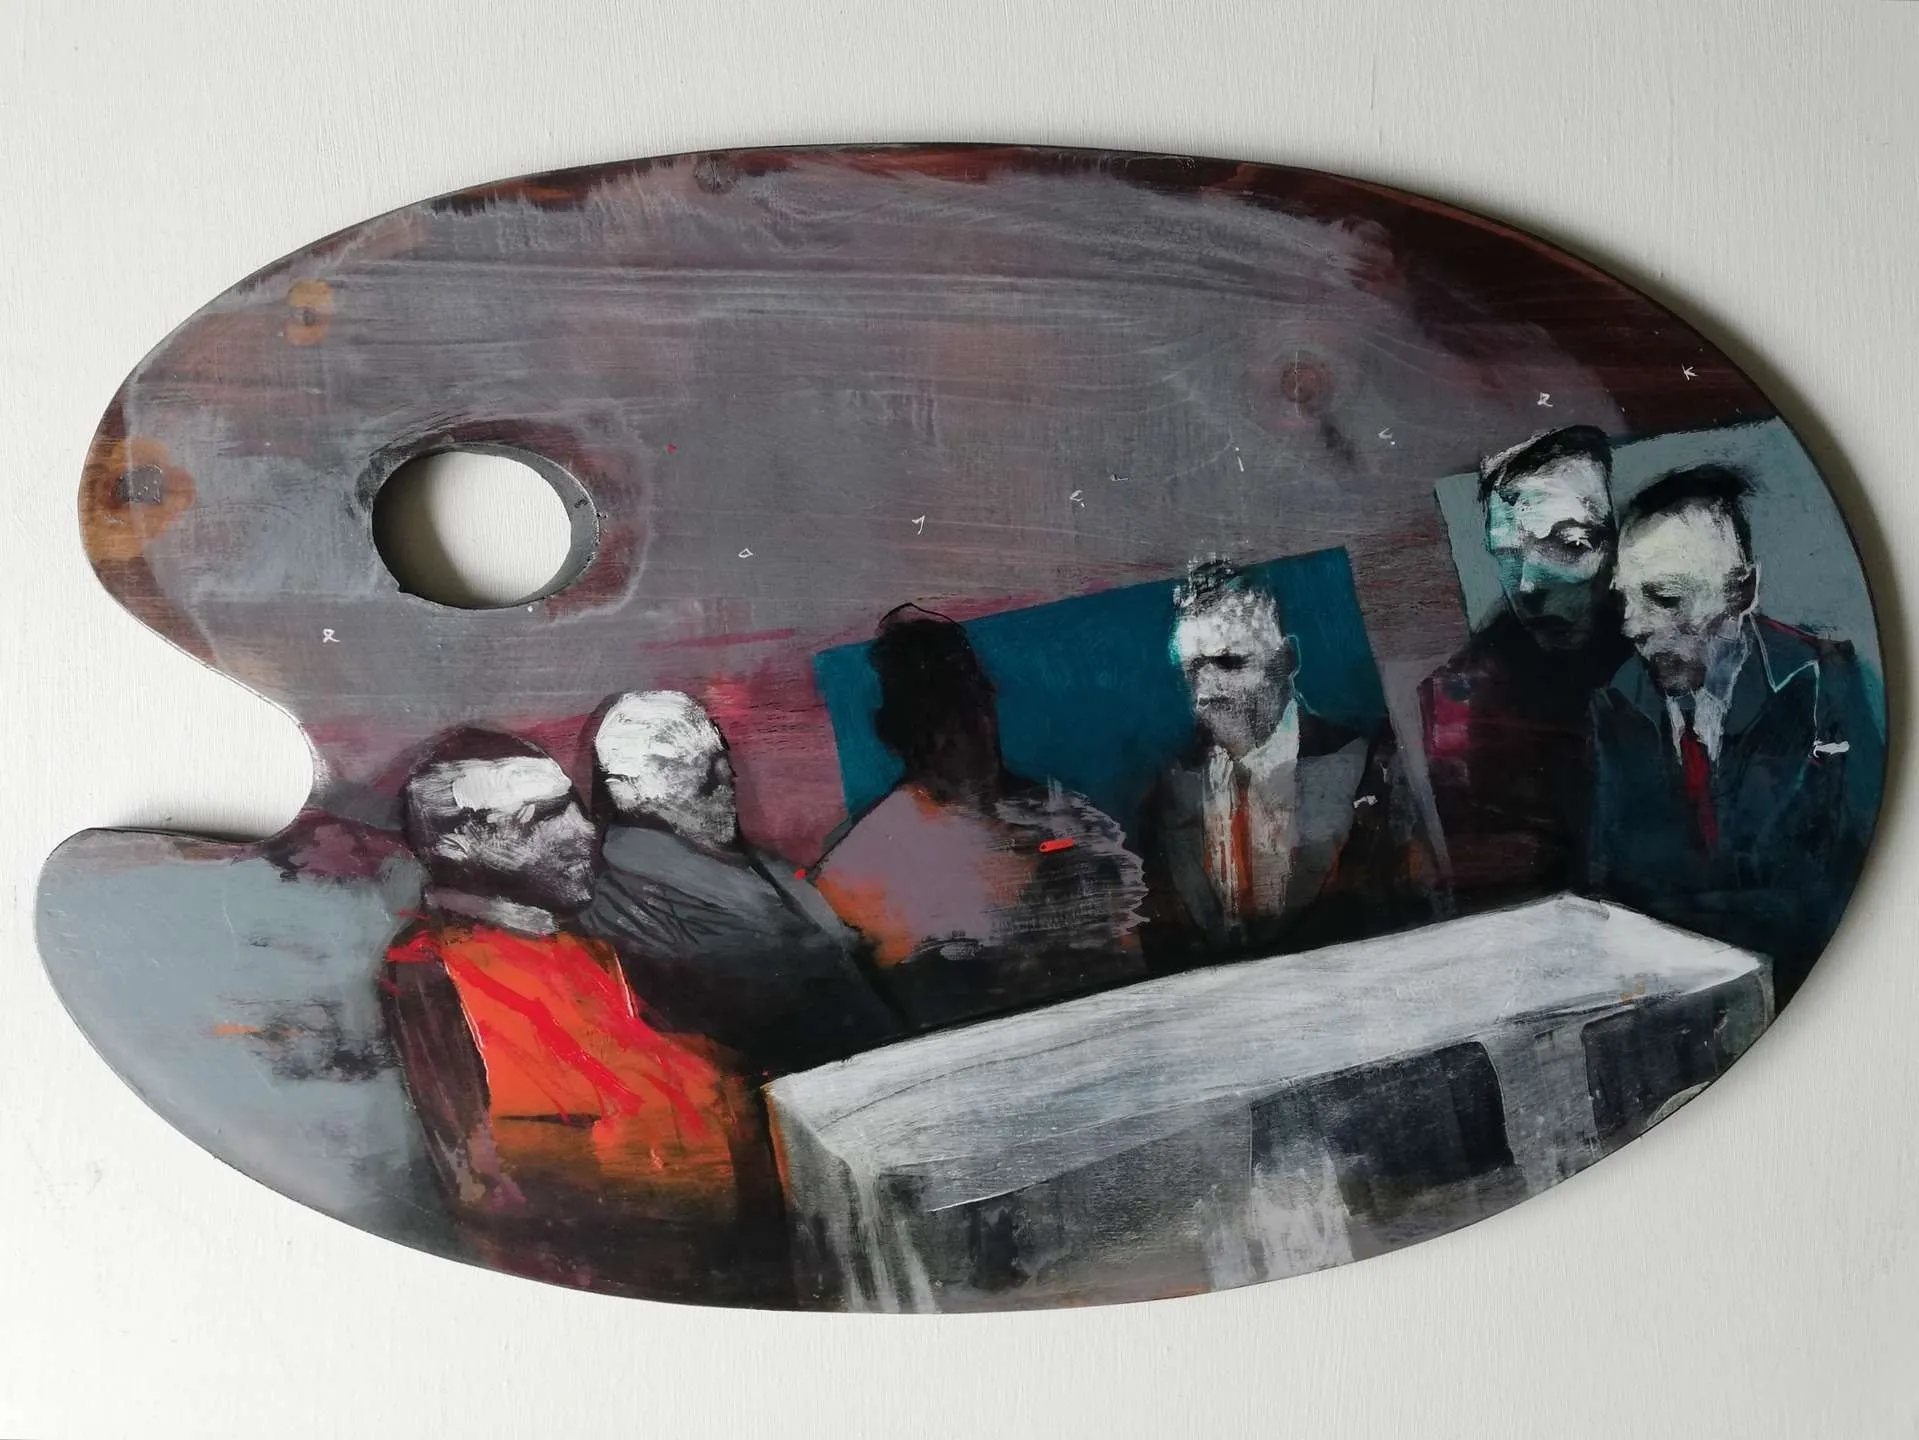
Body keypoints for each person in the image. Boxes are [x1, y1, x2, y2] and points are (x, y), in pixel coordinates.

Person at [378, 727, 786, 1303]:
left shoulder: (583, 946)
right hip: (617, 1279)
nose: (584, 833)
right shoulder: (432, 967)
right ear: (458, 845)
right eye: (543, 818)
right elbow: (487, 1184)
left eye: (573, 808)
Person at [1586, 465, 1884, 1005]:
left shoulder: (1825, 685)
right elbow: (1615, 894)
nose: (1633, 625)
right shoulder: (1618, 704)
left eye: (1665, 598)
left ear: (1741, 591)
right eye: (1625, 599)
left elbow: (1854, 891)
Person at [809, 604, 1148, 1028]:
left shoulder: (1078, 825)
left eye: (971, 702)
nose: (963, 729)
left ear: (989, 703)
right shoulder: (852, 876)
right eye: (935, 715)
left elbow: (1133, 975)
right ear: (894, 732)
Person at [576, 690, 902, 1076]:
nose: (728, 778)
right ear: (631, 795)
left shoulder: (762, 867)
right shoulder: (621, 906)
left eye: (721, 758)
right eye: (701, 775)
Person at [1139, 560, 1431, 968]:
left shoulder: (1371, 764)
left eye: (1229, 663)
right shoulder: (1168, 791)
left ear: (1286, 659)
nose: (1205, 692)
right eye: (1193, 671)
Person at [1418, 426, 1631, 908]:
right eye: (1509, 555)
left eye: (1569, 544)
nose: (1529, 584)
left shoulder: (1667, 665)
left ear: (1616, 548)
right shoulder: (1458, 704)